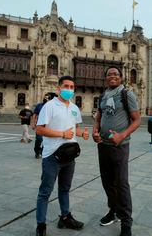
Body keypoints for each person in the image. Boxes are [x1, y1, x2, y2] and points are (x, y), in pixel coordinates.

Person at [35, 76, 89, 235]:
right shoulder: (50, 106)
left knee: (65, 189)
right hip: (52, 155)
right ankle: (41, 225)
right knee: (45, 192)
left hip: (69, 155)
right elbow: (39, 129)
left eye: (72, 87)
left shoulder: (74, 107)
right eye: (66, 86)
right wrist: (61, 134)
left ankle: (65, 218)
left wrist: (82, 134)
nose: (69, 89)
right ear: (59, 88)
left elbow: (74, 129)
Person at [92, 66, 141, 236]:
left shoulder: (126, 95)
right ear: (105, 78)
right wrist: (95, 132)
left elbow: (136, 120)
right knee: (107, 182)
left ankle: (126, 223)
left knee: (121, 183)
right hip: (103, 145)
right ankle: (113, 211)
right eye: (109, 75)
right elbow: (98, 118)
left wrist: (122, 135)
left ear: (121, 78)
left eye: (115, 74)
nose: (112, 76)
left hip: (120, 146)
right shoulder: (102, 97)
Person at [32, 94, 50, 159]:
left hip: (48, 126)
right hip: (39, 125)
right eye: (45, 98)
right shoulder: (39, 106)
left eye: (47, 98)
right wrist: (33, 123)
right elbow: (34, 114)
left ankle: (42, 151)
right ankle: (37, 151)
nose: (46, 99)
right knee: (39, 139)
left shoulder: (51, 106)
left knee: (46, 140)